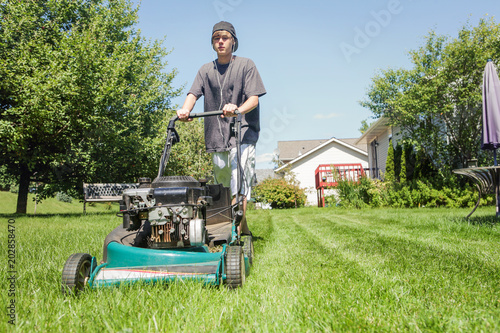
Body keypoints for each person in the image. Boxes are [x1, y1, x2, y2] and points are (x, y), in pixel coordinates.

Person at [177, 21, 266, 236]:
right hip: (216, 136)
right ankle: (242, 229)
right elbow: (193, 94)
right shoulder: (205, 70)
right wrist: (185, 110)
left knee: (239, 183)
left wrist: (238, 109)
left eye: (225, 37)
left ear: (233, 41)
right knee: (224, 187)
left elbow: (253, 99)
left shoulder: (246, 65)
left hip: (243, 133)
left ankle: (235, 232)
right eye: (216, 38)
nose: (220, 41)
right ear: (212, 43)